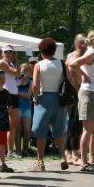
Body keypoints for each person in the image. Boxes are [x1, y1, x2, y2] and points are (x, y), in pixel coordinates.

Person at [68, 29, 94, 172]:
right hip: (88, 93)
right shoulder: (90, 53)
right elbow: (73, 64)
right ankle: (84, 162)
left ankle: (92, 160)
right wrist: (84, 75)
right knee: (88, 129)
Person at [30, 37, 69, 171]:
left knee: (41, 131)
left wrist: (35, 97)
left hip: (44, 98)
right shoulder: (62, 64)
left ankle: (40, 161)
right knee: (59, 130)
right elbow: (69, 80)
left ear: (41, 51)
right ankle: (62, 156)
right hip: (59, 98)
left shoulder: (39, 65)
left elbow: (35, 85)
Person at [65, 34, 87, 165]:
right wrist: (77, 89)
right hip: (74, 91)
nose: (87, 46)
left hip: (80, 90)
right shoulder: (72, 57)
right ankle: (73, 152)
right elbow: (70, 75)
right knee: (74, 122)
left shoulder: (84, 56)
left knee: (77, 123)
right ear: (79, 44)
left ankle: (69, 152)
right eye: (85, 43)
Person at [0, 44, 21, 157]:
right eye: (6, 51)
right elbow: (16, 73)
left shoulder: (11, 64)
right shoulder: (2, 63)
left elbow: (16, 76)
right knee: (2, 123)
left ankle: (10, 151)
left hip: (14, 94)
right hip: (6, 94)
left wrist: (17, 63)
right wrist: (19, 65)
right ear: (2, 53)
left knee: (13, 124)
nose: (8, 53)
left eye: (10, 51)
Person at [17, 63, 33, 156]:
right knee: (18, 129)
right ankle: (18, 150)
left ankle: (25, 150)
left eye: (26, 70)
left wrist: (17, 92)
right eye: (22, 70)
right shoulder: (16, 80)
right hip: (17, 107)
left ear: (29, 71)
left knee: (27, 129)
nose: (23, 72)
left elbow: (28, 95)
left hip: (27, 107)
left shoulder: (31, 82)